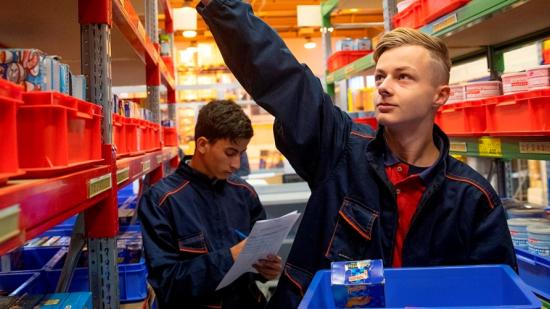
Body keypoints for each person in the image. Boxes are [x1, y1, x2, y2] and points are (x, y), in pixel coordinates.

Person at [197, 1, 517, 308]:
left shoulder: (472, 198)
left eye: (403, 77)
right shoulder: (340, 148)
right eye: (380, 76)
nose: (384, 86)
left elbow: (493, 293)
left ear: (440, 95)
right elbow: (285, 79)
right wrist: (224, 7)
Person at [138, 100, 282, 308]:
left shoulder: (245, 194)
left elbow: (254, 269)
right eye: (230, 153)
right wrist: (230, 257)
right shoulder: (162, 201)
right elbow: (166, 284)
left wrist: (265, 270)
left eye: (241, 154)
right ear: (202, 144)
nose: (236, 164)